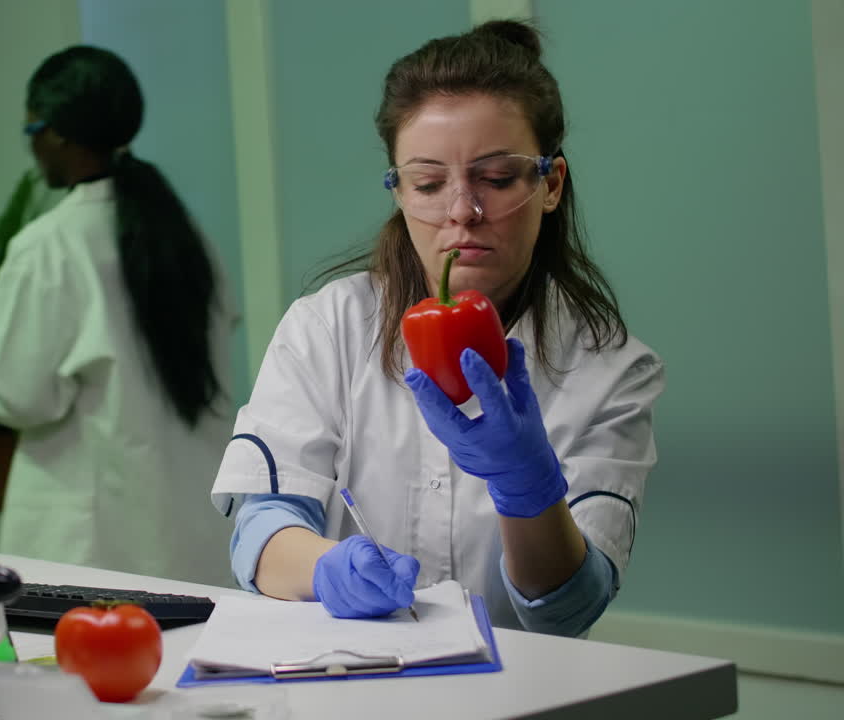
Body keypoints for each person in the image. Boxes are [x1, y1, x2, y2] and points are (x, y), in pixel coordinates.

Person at [210, 20, 665, 636]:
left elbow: (571, 606)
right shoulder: (328, 328)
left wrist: (527, 488)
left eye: (497, 179)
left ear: (550, 183)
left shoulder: (610, 368)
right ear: (398, 191)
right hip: (348, 679)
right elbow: (261, 529)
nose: (461, 212)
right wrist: (327, 569)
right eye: (427, 184)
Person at [0, 46, 237, 586]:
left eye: (30, 129)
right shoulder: (184, 236)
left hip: (94, 548)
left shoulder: (50, 245)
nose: (31, 146)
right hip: (191, 531)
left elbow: (18, 396)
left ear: (56, 133)